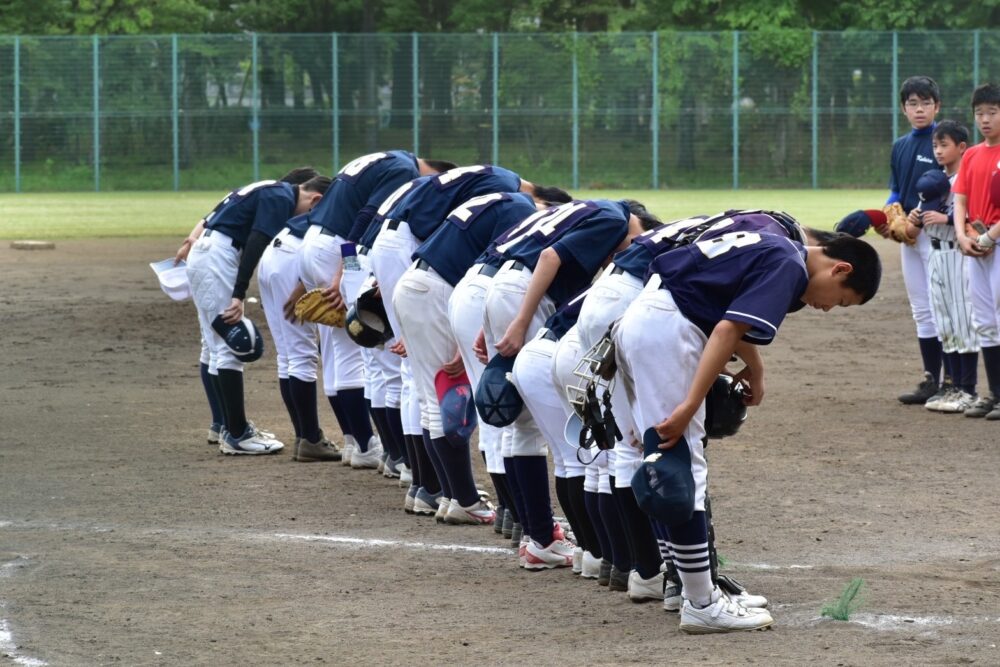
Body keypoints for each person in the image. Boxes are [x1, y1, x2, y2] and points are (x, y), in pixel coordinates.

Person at [613, 232, 881, 633]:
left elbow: (722, 312)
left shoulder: (776, 246)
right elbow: (724, 331)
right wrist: (690, 405)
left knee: (663, 458)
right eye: (839, 299)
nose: (827, 308)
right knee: (679, 464)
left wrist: (755, 367)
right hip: (669, 330)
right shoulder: (789, 266)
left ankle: (688, 589)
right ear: (839, 268)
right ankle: (701, 602)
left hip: (646, 317)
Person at [367, 165, 567, 523]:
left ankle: (439, 493)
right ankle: (463, 500)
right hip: (436, 291)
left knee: (432, 397)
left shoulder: (497, 197)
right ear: (546, 205)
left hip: (415, 283)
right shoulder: (521, 208)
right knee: (452, 398)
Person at [477, 199, 658, 569]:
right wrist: (516, 321)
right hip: (529, 304)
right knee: (583, 456)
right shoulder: (615, 218)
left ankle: (536, 533)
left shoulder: (588, 216)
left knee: (529, 434)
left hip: (502, 288)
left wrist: (494, 322)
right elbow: (547, 258)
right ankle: (561, 543)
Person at [292, 151, 455, 469]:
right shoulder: (404, 169)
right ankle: (380, 450)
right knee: (371, 358)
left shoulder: (384, 159)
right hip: (343, 249)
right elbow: (367, 217)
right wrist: (345, 271)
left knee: (342, 353)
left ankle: (357, 444)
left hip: (316, 243)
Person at [186, 175, 331, 455]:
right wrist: (239, 294)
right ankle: (238, 435)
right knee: (229, 347)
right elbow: (257, 241)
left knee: (215, 347)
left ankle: (227, 426)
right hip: (218, 257)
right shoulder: (280, 199)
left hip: (207, 253)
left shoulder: (270, 187)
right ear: (315, 200)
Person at [901, 121, 979, 413]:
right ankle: (952, 385)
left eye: (944, 145)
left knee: (961, 321)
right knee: (944, 322)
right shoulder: (932, 180)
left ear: (961, 148)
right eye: (935, 145)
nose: (938, 151)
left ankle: (967, 389)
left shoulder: (966, 179)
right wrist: (913, 222)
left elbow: (974, 217)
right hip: (934, 257)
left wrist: (946, 219)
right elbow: (912, 233)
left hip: (957, 255)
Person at [889, 76, 945, 405]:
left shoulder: (943, 140)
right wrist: (887, 218)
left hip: (935, 232)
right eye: (913, 103)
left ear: (937, 107)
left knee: (944, 305)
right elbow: (896, 191)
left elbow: (947, 189)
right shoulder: (900, 146)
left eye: (925, 102)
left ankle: (956, 379)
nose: (919, 108)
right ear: (903, 109)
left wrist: (916, 223)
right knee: (921, 308)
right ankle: (931, 379)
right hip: (909, 235)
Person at [953, 83, 1000, 420]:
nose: (985, 119)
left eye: (992, 112)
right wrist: (961, 235)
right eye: (979, 113)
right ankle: (994, 393)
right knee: (984, 320)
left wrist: (989, 238)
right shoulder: (971, 154)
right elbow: (961, 200)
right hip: (974, 245)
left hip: (995, 244)